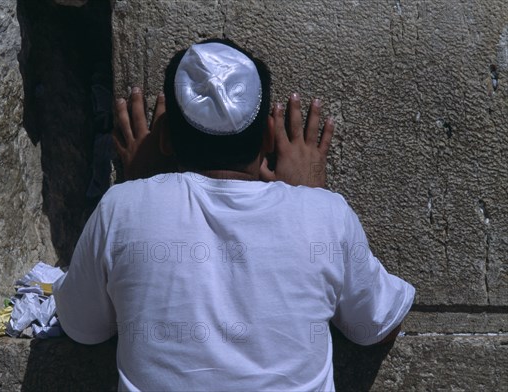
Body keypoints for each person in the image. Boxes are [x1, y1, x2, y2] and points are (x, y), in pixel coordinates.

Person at [54, 38, 415, 391]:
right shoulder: (325, 213)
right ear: (269, 138)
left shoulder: (120, 207)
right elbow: (379, 327)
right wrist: (310, 199)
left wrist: (144, 190)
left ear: (164, 139)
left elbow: (82, 326)